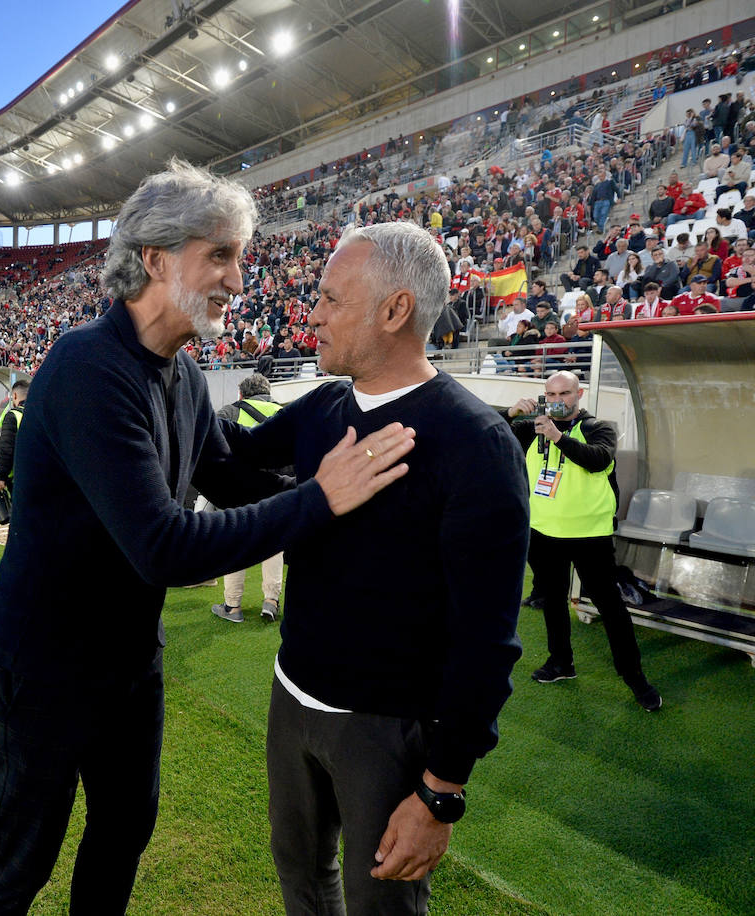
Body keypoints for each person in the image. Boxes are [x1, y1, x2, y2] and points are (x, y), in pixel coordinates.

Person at [0, 161, 413, 915]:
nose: (238, 282)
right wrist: (320, 497)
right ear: (154, 258)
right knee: (26, 852)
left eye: (238, 259)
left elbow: (234, 475)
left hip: (128, 662)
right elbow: (164, 546)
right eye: (221, 255)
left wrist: (352, 465)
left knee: (122, 833)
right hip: (46, 663)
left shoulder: (178, 370)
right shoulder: (86, 365)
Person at [214, 221, 527, 914]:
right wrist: (165, 368)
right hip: (291, 693)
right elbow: (234, 475)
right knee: (301, 879)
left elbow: (487, 642)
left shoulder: (476, 444)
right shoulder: (325, 405)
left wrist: (441, 791)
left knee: (379, 904)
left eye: (329, 299)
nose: (312, 315)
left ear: (394, 311)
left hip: (386, 728)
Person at [504, 371, 662, 711]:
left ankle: (636, 679)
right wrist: (511, 414)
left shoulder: (598, 427)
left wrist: (558, 437)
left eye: (565, 393)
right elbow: (487, 437)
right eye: (551, 393)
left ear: (580, 394)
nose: (558, 399)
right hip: (543, 532)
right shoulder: (533, 428)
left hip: (589, 535)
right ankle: (561, 663)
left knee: (610, 606)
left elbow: (598, 460)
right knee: (553, 599)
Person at [209, 373, 286, 624]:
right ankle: (271, 600)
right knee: (275, 545)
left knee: (236, 542)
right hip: (276, 490)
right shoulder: (284, 413)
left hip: (239, 490)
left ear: (242, 394)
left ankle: (233, 606)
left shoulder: (230, 412)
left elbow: (212, 444)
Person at [0, 379, 28, 494]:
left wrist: (1, 477)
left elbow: (7, 449)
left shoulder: (13, 416)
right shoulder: (41, 414)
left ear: (15, 395)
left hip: (20, 476)